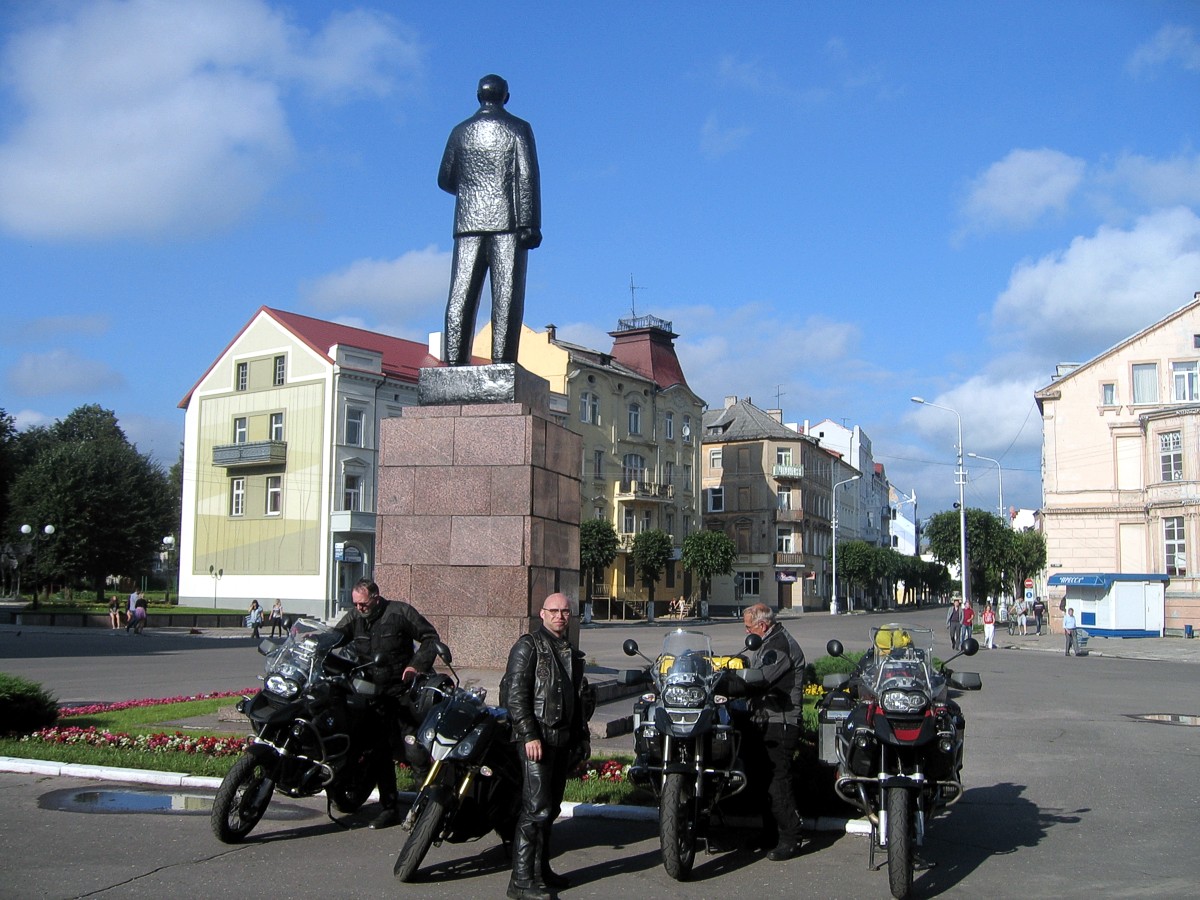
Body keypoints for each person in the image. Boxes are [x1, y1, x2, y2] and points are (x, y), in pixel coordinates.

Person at [439, 73, 541, 366]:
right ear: (505, 97)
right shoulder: (518, 128)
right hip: (508, 224)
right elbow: (527, 176)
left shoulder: (460, 131)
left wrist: (471, 191)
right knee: (506, 296)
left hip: (468, 223)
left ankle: (454, 363)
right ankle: (502, 363)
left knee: (460, 294)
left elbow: (445, 178)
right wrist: (531, 224)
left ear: (478, 96)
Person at [333, 578, 440, 830]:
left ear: (376, 598)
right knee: (378, 752)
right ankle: (389, 808)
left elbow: (429, 637)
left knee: (414, 751)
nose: (359, 609)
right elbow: (334, 637)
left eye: (363, 604)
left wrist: (416, 665)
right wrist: (314, 644)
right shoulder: (354, 618)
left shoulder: (399, 612)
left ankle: (426, 808)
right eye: (356, 604)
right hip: (373, 696)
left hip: (403, 694)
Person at [504, 593, 587, 900]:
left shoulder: (568, 651)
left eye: (565, 611)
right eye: (554, 611)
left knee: (549, 810)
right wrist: (529, 735)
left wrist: (582, 738)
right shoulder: (528, 646)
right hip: (537, 741)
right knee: (535, 810)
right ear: (542, 614)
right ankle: (520, 881)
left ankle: (541, 871)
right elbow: (515, 695)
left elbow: (577, 700)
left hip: (561, 739)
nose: (560, 616)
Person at [741, 602, 807, 862]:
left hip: (781, 721)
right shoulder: (769, 641)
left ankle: (791, 837)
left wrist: (734, 684)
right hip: (766, 719)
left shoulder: (779, 645)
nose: (746, 633)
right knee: (761, 781)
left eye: (748, 628)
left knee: (777, 781)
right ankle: (770, 834)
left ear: (762, 625)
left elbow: (761, 678)